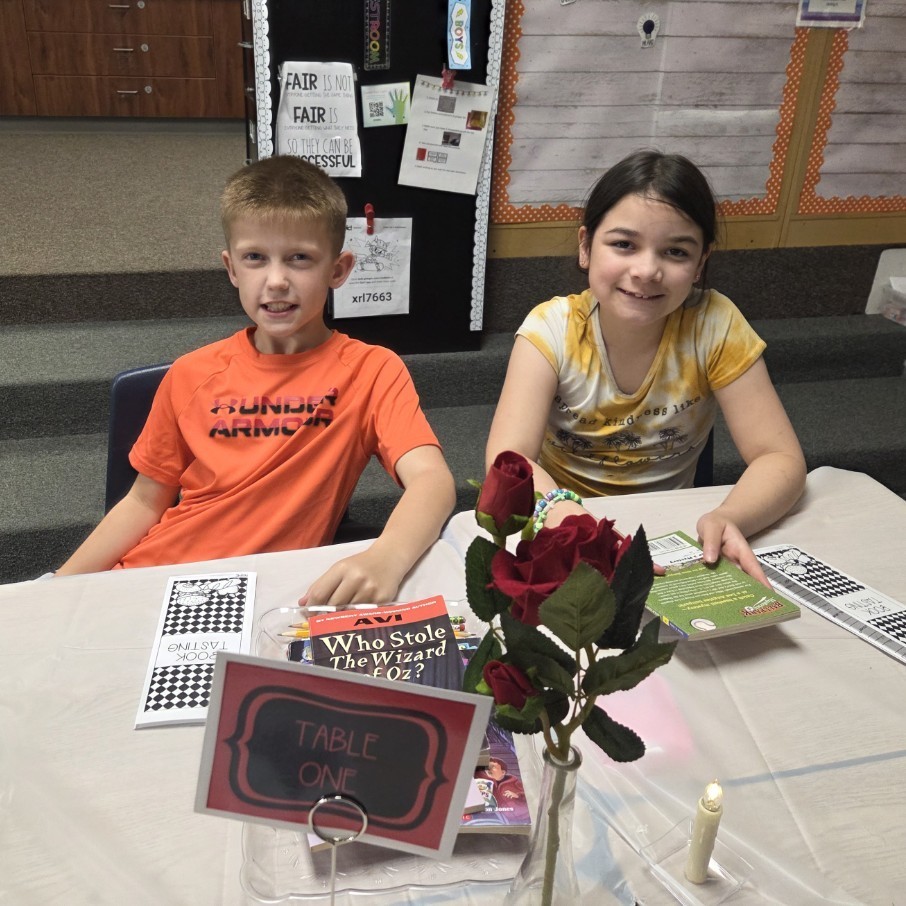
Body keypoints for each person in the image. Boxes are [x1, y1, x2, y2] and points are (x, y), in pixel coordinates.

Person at [56, 155, 456, 605]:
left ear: (338, 270)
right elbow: (144, 502)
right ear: (231, 269)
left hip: (265, 593)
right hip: (155, 582)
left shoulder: (371, 370)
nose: (277, 280)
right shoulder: (192, 373)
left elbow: (432, 481)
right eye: (255, 258)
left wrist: (387, 557)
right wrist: (58, 585)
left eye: (299, 259)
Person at [486, 150, 806, 583]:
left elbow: (780, 457)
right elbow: (509, 461)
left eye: (675, 251)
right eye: (624, 245)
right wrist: (580, 529)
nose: (647, 270)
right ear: (585, 246)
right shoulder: (551, 329)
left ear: (700, 264)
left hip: (672, 534)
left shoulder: (715, 324)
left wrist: (731, 516)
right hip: (564, 527)